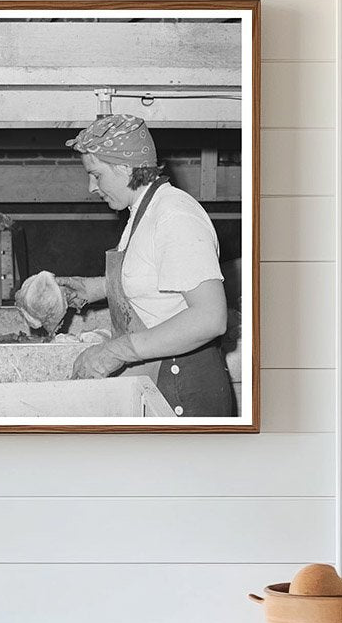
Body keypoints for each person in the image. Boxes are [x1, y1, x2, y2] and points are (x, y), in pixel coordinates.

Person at [56, 113, 233, 418]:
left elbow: (210, 318)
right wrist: (90, 288)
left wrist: (114, 351)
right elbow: (153, 277)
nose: (91, 187)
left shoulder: (174, 216)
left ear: (125, 168)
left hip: (184, 389)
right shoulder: (143, 212)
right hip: (162, 377)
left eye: (96, 175)